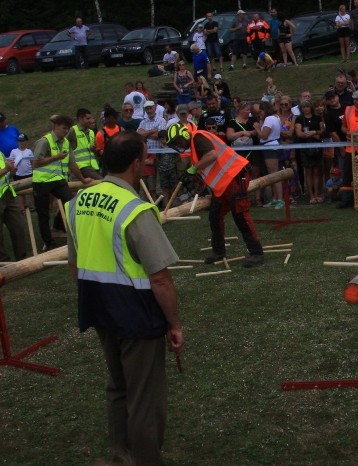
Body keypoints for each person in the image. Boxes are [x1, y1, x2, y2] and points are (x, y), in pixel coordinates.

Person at [66, 131, 183, 464]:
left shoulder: (77, 203)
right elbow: (159, 278)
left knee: (118, 387)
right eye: (145, 156)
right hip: (136, 314)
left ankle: (121, 454)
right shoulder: (135, 208)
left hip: (98, 307)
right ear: (136, 163)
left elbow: (74, 266)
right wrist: (174, 324)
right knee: (145, 398)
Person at [165, 123, 264, 266]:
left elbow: (212, 155)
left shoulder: (198, 137)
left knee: (240, 214)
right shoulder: (194, 147)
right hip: (224, 184)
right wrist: (193, 176)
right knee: (215, 215)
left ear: (185, 134)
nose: (178, 145)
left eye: (178, 141)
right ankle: (218, 251)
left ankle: (256, 252)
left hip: (236, 175)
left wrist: (193, 169)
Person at [32, 115, 93, 250]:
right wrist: (56, 157)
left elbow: (72, 164)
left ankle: (77, 235)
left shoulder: (66, 143)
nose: (66, 132)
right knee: (43, 213)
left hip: (59, 181)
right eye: (64, 128)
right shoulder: (44, 142)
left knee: (72, 204)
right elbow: (35, 163)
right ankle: (49, 243)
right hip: (41, 182)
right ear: (55, 127)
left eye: (68, 129)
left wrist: (83, 179)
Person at [295, 100, 326, 204]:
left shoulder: (317, 118)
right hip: (305, 148)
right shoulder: (299, 119)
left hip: (317, 147)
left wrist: (315, 132)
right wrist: (308, 134)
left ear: (311, 107)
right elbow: (299, 133)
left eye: (307, 106)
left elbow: (322, 130)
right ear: (301, 109)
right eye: (303, 107)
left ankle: (317, 194)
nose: (306, 109)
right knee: (308, 171)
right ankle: (311, 195)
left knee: (317, 171)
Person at [0, 146, 26, 261]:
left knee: (18, 226)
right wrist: (6, 169)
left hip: (7, 193)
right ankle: (4, 262)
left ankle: (22, 259)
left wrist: (10, 171)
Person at [68, 108, 102, 180]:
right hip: (81, 167)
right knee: (102, 182)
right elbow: (62, 142)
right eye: (88, 118)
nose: (90, 120)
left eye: (91, 118)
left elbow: (92, 150)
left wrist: (94, 149)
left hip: (94, 166)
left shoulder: (91, 132)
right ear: (80, 119)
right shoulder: (72, 131)